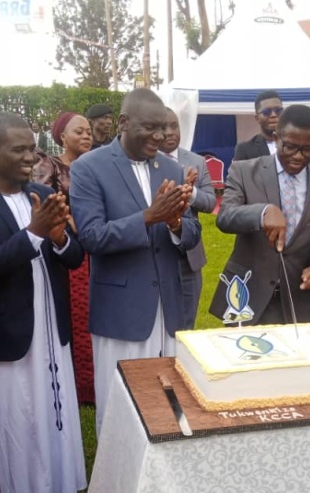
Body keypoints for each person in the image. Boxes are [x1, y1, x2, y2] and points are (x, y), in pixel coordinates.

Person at [0, 112, 87, 493]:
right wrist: (33, 234)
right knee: (16, 421)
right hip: (6, 332)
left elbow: (74, 257)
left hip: (50, 327)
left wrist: (59, 237)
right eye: (19, 150)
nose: (30, 157)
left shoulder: (42, 193)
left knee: (55, 411)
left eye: (32, 148)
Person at [70, 88, 200, 434]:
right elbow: (92, 237)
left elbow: (192, 232)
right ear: (124, 123)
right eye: (151, 128)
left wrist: (175, 223)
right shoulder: (89, 168)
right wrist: (148, 216)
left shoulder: (170, 167)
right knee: (121, 405)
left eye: (164, 128)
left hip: (168, 308)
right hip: (122, 312)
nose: (160, 136)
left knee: (168, 402)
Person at [208, 104, 310, 325]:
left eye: (308, 149)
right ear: (276, 137)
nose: (298, 156)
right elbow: (225, 217)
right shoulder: (244, 171)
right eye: (290, 147)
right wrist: (263, 213)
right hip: (246, 298)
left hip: (299, 301)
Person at [32, 111, 96, 404]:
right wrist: (70, 220)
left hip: (95, 245)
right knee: (76, 316)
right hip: (66, 248)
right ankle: (79, 386)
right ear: (62, 137)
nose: (86, 136)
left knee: (93, 313)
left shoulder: (95, 165)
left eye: (88, 132)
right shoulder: (51, 165)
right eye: (78, 131)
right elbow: (43, 202)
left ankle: (95, 381)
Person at [161, 107, 217, 329]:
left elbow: (210, 202)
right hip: (156, 252)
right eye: (163, 127)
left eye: (174, 126)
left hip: (188, 257)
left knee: (186, 325)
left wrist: (189, 191)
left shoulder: (196, 161)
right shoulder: (146, 161)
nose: (170, 132)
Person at [233, 90, 283, 160]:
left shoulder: (295, 143)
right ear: (257, 118)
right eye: (266, 112)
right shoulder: (245, 149)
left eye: (278, 110)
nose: (273, 115)